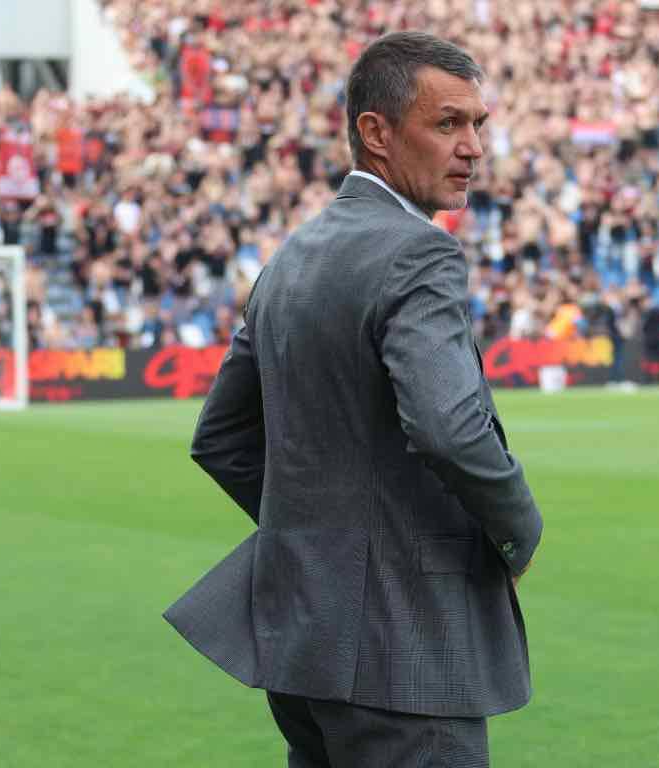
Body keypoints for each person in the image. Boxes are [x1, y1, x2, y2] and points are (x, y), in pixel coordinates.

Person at [164, 32, 543, 767]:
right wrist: (516, 529)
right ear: (376, 133)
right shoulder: (418, 251)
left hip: (305, 639)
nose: (472, 147)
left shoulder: (293, 254)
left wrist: (324, 541)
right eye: (447, 124)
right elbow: (449, 430)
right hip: (404, 648)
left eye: (479, 126)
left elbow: (222, 439)